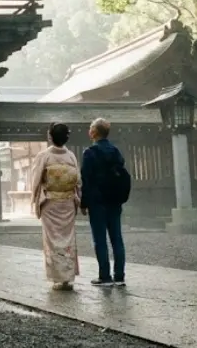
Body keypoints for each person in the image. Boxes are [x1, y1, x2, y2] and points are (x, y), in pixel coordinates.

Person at [28, 123, 81, 290]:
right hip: (67, 203)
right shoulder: (71, 156)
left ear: (50, 136)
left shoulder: (44, 156)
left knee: (52, 241)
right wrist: (78, 199)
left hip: (51, 203)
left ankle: (58, 278)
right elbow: (77, 182)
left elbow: (36, 180)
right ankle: (68, 278)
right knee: (68, 239)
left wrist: (35, 200)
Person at [80, 118, 127, 287]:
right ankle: (120, 276)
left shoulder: (89, 153)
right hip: (115, 200)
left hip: (97, 201)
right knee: (117, 238)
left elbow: (86, 180)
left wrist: (83, 203)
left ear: (93, 132)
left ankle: (105, 276)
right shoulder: (115, 151)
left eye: (90, 128)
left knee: (100, 239)